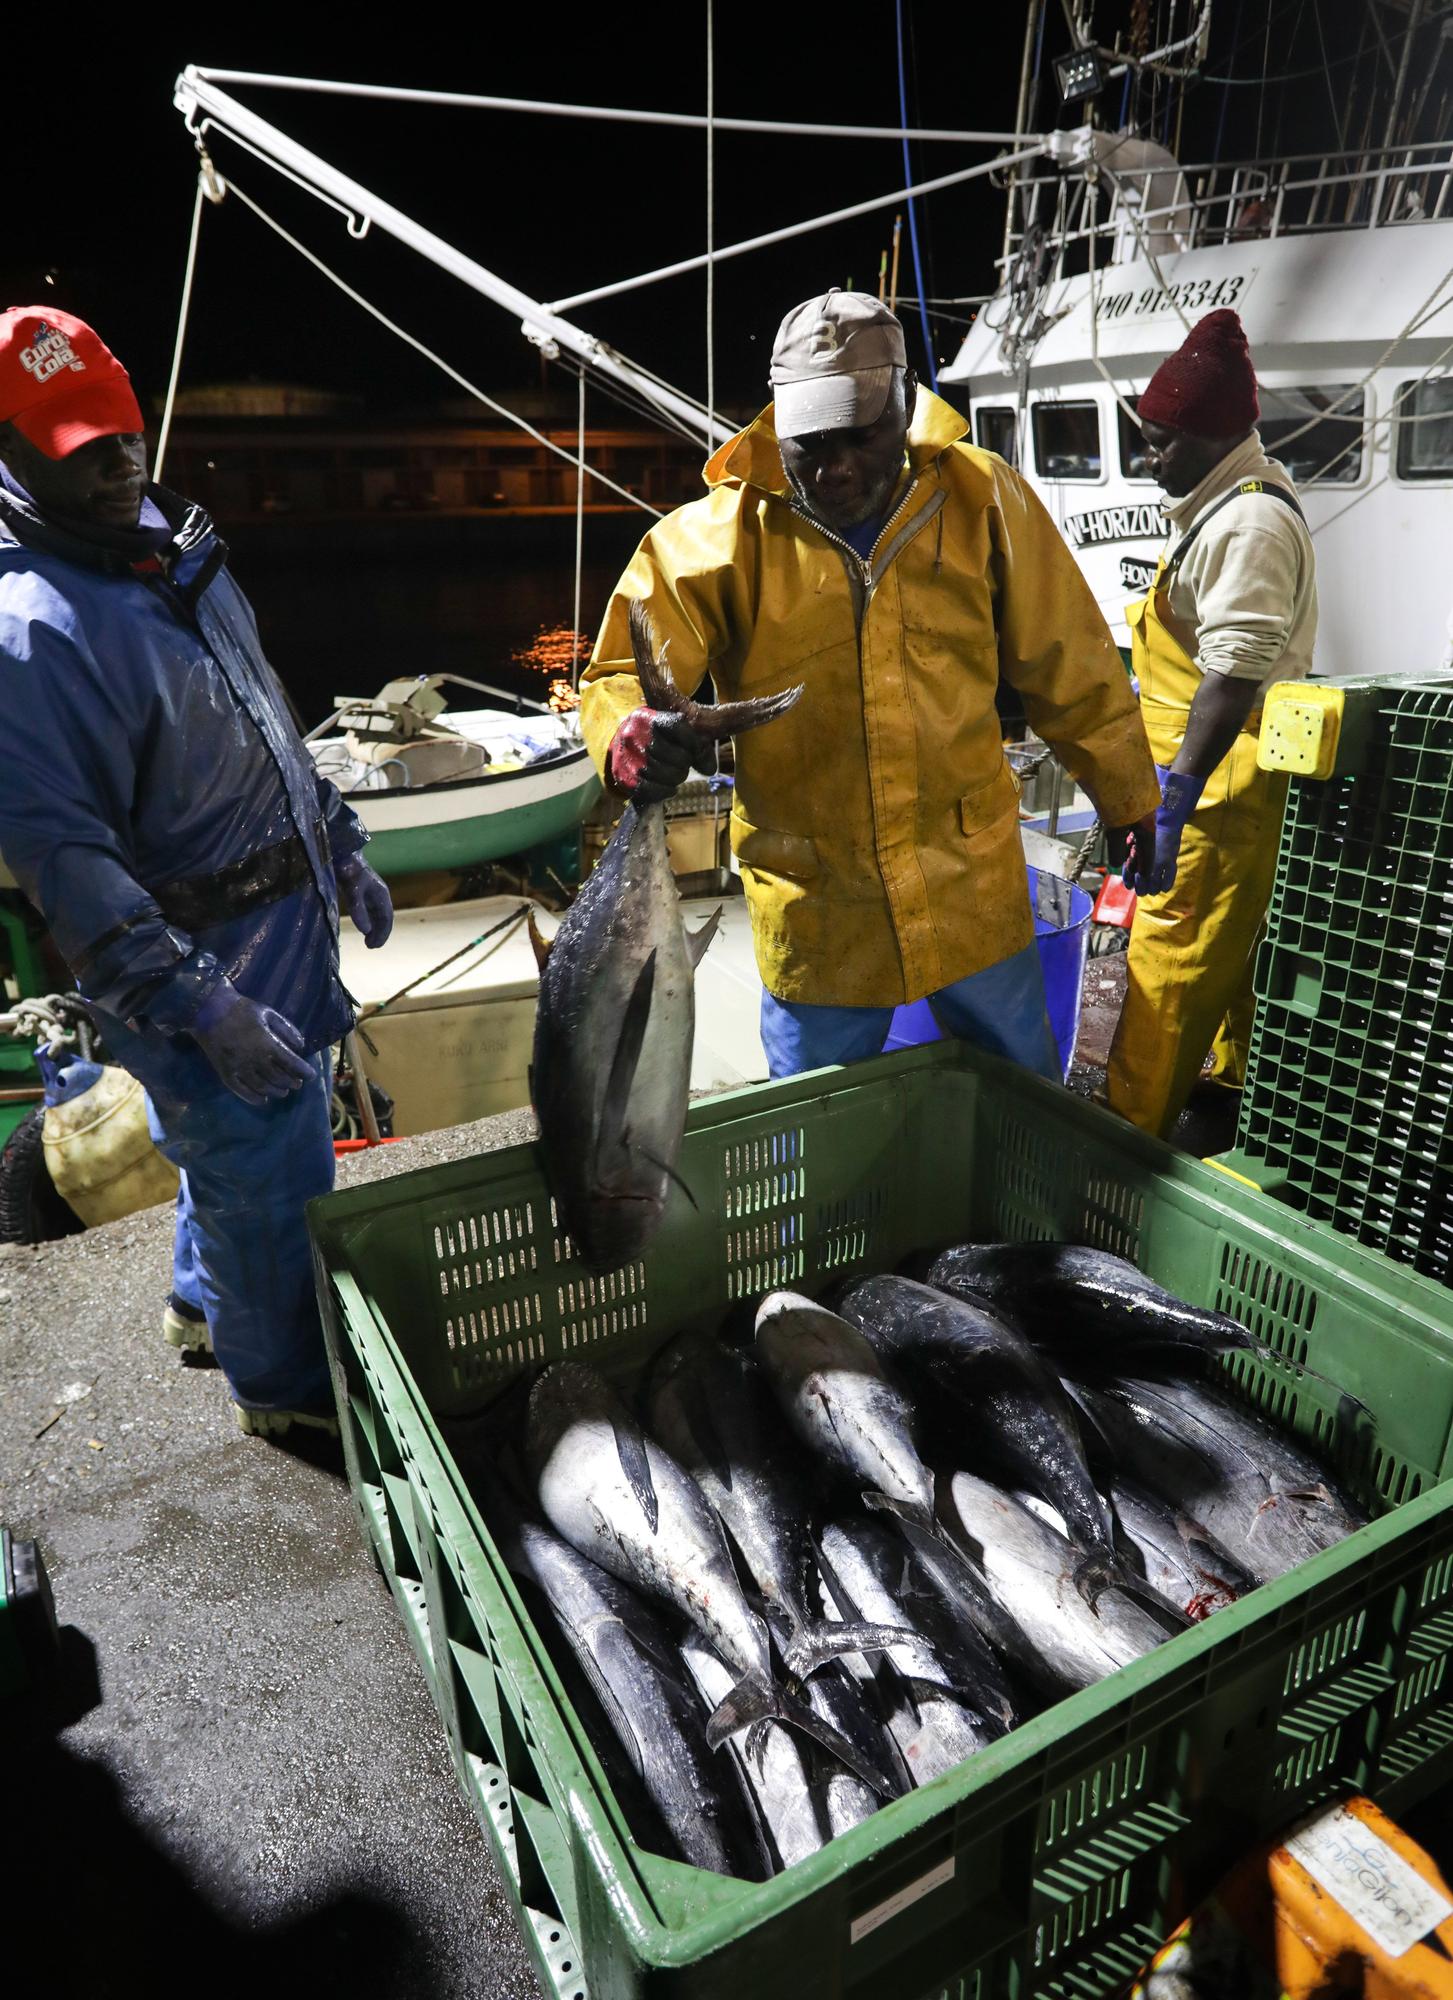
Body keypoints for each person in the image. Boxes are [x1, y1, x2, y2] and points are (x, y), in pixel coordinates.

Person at [579, 290, 1161, 1080]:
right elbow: (618, 675)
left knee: (1018, 1091)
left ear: (904, 403)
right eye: (811, 442)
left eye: (861, 435)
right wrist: (627, 732)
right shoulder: (711, 539)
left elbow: (1072, 664)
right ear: (776, 422)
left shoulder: (983, 497)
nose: (835, 468)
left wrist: (1128, 796)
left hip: (971, 886)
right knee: (812, 1118)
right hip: (818, 911)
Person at [0, 307, 394, 1437]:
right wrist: (200, 1003)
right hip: (197, 967)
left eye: (121, 431)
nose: (118, 463)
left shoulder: (172, 542)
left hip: (284, 930)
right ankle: (285, 1395)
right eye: (78, 448)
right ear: (11, 452)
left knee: (231, 1161)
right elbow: (67, 860)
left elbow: (262, 704)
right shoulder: (27, 632)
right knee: (267, 1181)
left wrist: (338, 839)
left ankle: (199, 1306)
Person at [1106, 309, 1318, 1139]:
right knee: (1226, 956)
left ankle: (1125, 1138)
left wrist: (1175, 798)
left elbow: (1231, 675)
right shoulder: (1223, 500)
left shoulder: (1248, 522)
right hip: (1199, 782)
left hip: (1215, 793)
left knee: (1171, 959)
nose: (1148, 459)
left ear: (1210, 436)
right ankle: (1223, 1095)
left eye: (1160, 444)